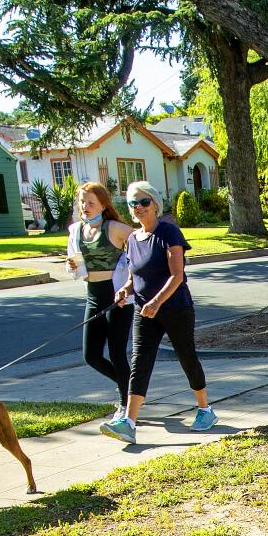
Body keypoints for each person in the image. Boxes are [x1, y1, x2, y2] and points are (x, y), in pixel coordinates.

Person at [106, 180, 216, 445]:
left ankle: (205, 410)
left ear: (155, 204)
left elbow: (177, 275)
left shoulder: (168, 232)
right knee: (140, 361)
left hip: (175, 308)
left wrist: (157, 302)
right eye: (133, 203)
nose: (139, 207)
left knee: (186, 357)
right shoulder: (132, 239)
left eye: (144, 202)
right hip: (144, 311)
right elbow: (135, 277)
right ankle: (129, 423)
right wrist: (125, 290)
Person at [65, 182, 136, 433]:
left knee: (117, 352)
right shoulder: (76, 231)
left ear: (104, 205)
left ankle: (127, 405)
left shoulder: (115, 228)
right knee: (91, 356)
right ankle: (131, 390)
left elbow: (143, 246)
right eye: (82, 202)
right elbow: (74, 263)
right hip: (93, 295)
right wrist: (72, 266)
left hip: (117, 297)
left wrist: (129, 283)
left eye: (91, 202)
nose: (85, 207)